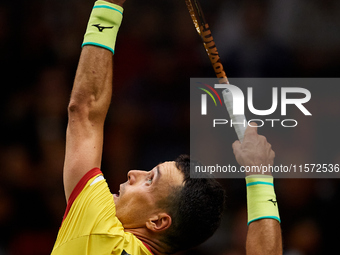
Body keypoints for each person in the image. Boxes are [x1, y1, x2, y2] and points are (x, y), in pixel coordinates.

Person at [51, 0, 282, 254]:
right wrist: (260, 177)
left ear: (158, 221)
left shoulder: (98, 227)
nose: (133, 173)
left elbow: (84, 111)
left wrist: (108, 7)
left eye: (149, 180)